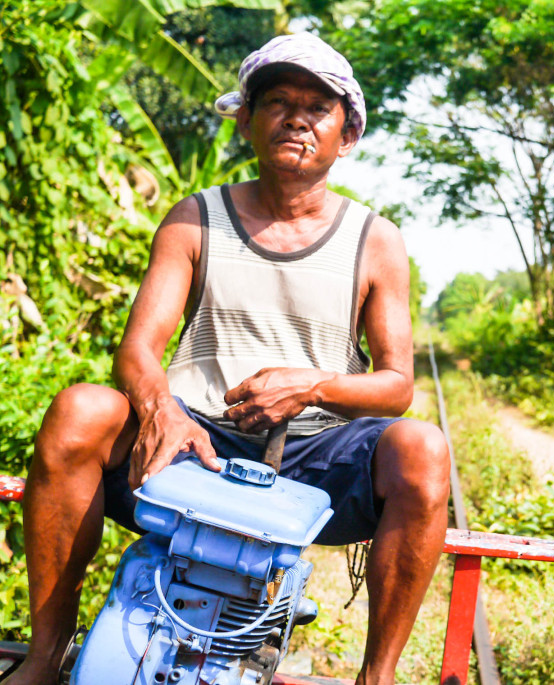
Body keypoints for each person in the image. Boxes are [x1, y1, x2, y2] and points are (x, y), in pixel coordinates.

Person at [6, 33, 450, 685]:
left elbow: (396, 385)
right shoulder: (196, 219)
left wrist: (312, 385)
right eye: (277, 101)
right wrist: (162, 410)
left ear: (347, 134)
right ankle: (46, 657)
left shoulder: (375, 240)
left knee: (424, 451)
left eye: (318, 108)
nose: (298, 117)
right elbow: (137, 348)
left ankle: (376, 676)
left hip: (311, 456)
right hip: (193, 442)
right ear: (245, 120)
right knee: (81, 408)